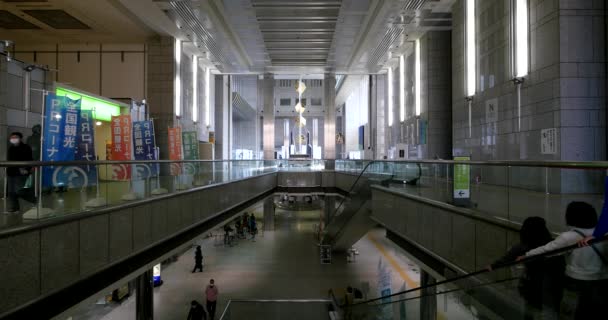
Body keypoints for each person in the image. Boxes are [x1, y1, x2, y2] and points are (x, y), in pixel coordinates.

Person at [524, 202, 608, 319]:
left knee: (570, 312)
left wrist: (526, 255)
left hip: (576, 281)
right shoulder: (603, 234)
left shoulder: (568, 236)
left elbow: (547, 250)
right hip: (602, 280)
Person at [490, 217, 564, 319]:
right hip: (552, 286)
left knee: (531, 309)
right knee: (550, 311)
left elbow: (507, 258)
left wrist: (492, 266)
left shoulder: (525, 246)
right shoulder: (553, 245)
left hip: (532, 285)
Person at [6, 132, 33, 213]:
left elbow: (29, 159)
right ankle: (15, 208)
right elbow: (10, 160)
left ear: (20, 138)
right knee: (11, 192)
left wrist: (27, 169)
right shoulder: (11, 148)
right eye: (12, 137)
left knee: (20, 191)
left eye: (15, 137)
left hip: (21, 172)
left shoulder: (26, 147)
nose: (13, 139)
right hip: (11, 172)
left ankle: (35, 200)